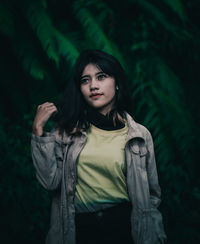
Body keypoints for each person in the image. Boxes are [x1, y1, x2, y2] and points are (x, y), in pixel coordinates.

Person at [31, 49, 167, 244]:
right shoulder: (66, 131)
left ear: (117, 83)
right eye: (85, 80)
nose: (93, 85)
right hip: (80, 230)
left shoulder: (139, 135)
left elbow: (152, 196)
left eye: (101, 77)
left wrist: (154, 235)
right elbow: (49, 182)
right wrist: (38, 130)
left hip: (125, 229)